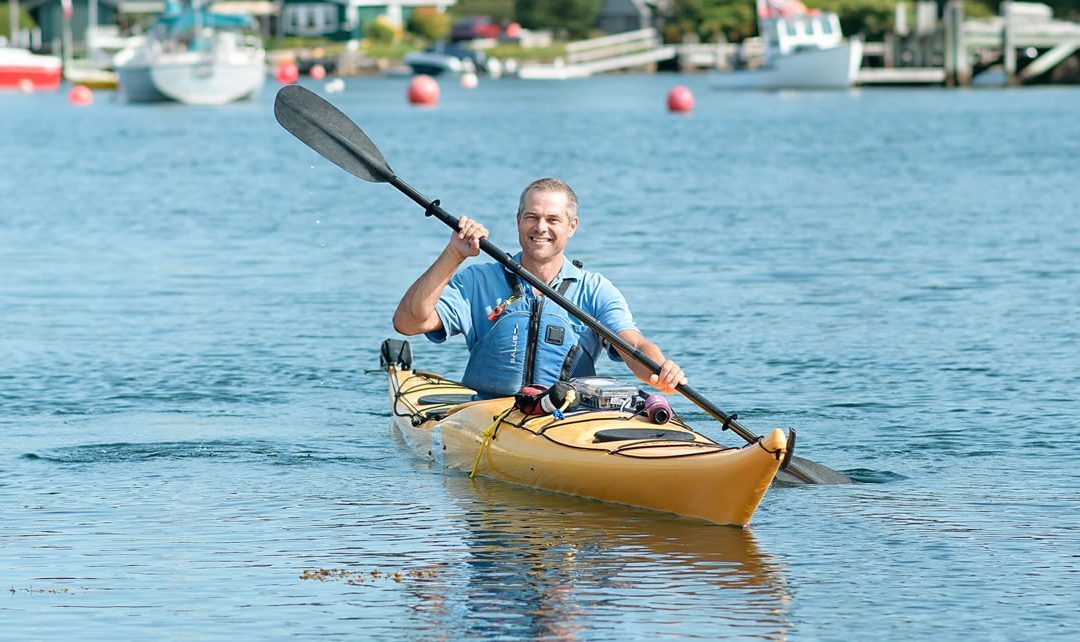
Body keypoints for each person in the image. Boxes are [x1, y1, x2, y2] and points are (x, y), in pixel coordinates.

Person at [393, 177, 687, 398]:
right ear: (518, 221)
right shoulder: (477, 282)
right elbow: (408, 322)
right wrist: (453, 255)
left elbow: (634, 345)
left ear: (572, 226)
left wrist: (659, 371)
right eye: (531, 217)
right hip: (487, 416)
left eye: (553, 220)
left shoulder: (595, 290)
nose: (540, 228)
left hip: (567, 421)